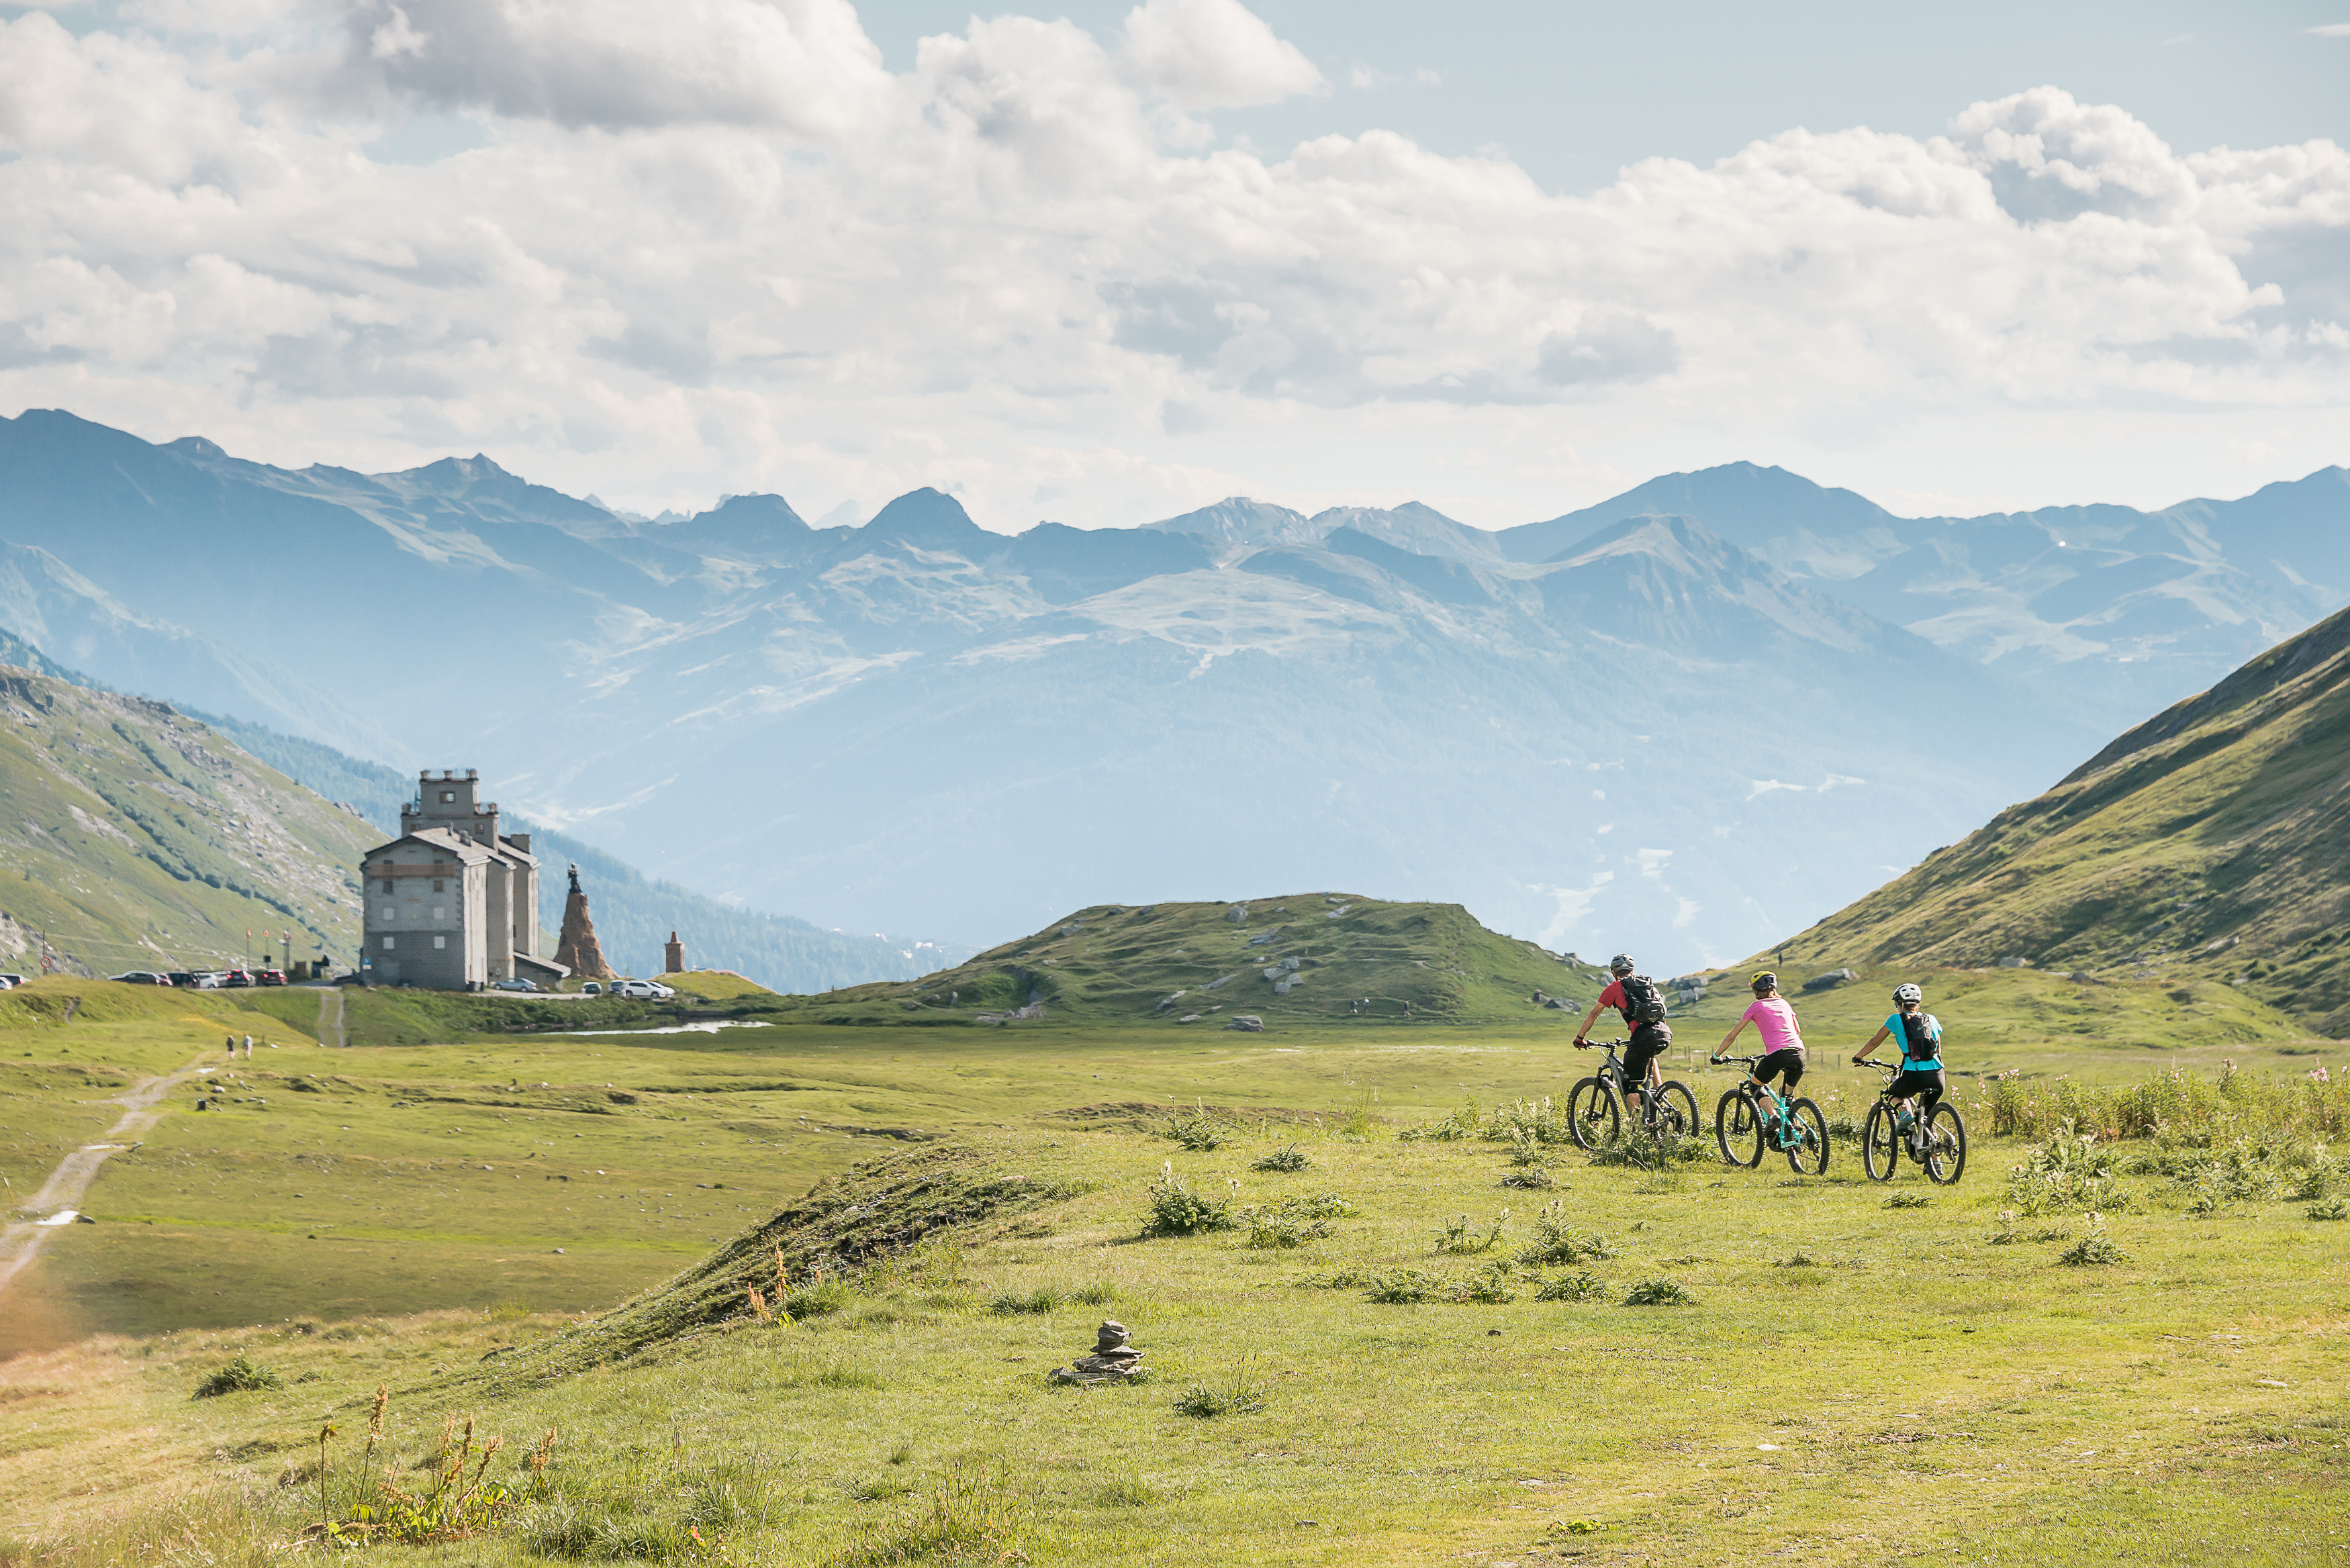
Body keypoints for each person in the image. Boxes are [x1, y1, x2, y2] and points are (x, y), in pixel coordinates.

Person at [1573, 954, 1671, 1118]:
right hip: (1664, 1032)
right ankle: (1660, 1092)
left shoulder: (1615, 988)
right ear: (1632, 971)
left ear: (1614, 972)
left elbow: (1593, 1014)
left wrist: (1580, 1038)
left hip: (1642, 1036)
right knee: (1648, 1056)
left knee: (1629, 1084)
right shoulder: (1648, 985)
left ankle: (1638, 1127)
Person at [1712, 971, 1805, 1126]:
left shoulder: (1756, 1007)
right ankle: (1796, 1131)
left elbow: (1732, 1035)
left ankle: (1773, 1118)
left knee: (1755, 1085)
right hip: (1799, 1053)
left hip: (1776, 1054)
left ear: (1755, 990)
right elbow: (1797, 1031)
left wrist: (1717, 1055)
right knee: (1787, 1096)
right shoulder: (1784, 1003)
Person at [1853, 982, 1944, 1138]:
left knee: (1888, 1094)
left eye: (1896, 1004)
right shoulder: (1931, 1019)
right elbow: (1938, 1050)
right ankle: (1935, 1159)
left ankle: (1904, 1115)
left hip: (1914, 1075)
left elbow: (1875, 1041)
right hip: (1938, 1076)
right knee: (1925, 1119)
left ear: (1900, 1005)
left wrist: (1859, 1057)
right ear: (1918, 1004)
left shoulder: (1896, 1019)